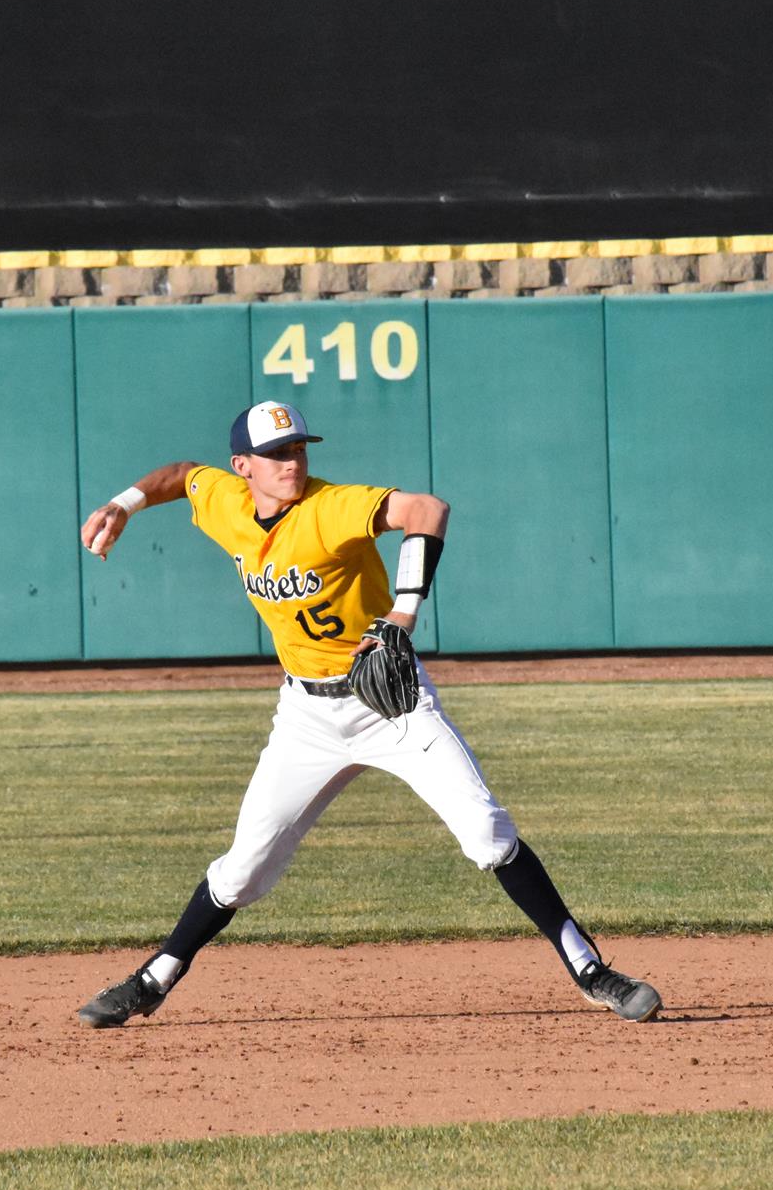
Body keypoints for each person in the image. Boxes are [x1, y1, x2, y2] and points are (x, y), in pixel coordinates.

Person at [74, 401, 661, 1027]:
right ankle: (156, 977)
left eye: (298, 449)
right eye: (275, 455)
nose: (291, 462)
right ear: (242, 466)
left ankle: (591, 971)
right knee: (243, 869)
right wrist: (123, 504)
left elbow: (427, 511)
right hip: (305, 716)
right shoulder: (224, 502)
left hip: (390, 703)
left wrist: (402, 614)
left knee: (487, 833)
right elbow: (181, 473)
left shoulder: (332, 507)